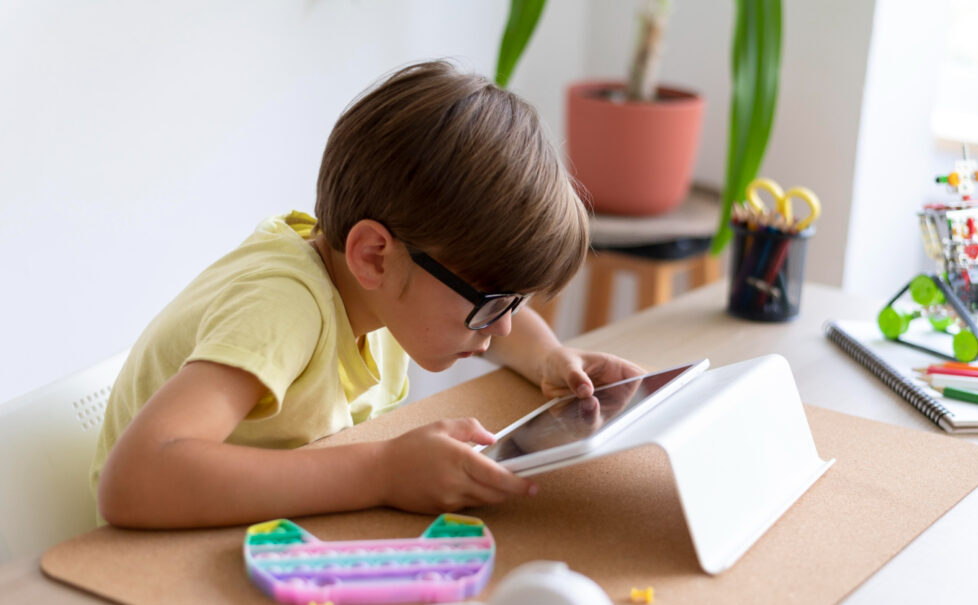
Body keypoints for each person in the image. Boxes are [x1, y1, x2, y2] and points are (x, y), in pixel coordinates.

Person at [92, 60, 644, 529]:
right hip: (158, 558)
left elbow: (480, 306)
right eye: (491, 304)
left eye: (513, 304)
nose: (501, 327)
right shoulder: (283, 310)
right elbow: (136, 479)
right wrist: (381, 471)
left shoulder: (382, 287)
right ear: (374, 255)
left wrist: (548, 356)